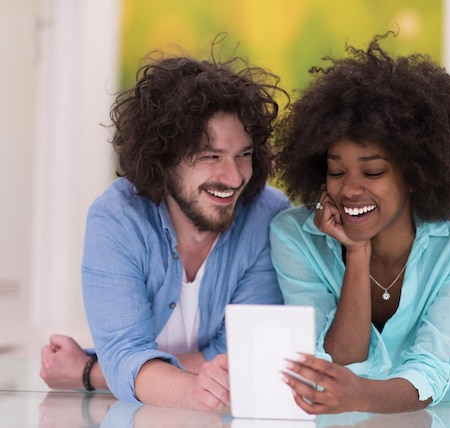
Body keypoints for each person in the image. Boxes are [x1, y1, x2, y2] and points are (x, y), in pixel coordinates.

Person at [39, 39, 291, 410]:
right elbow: (128, 352)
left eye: (245, 155)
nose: (234, 176)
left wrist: (92, 370)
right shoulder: (116, 218)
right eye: (211, 156)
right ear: (165, 157)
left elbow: (242, 354)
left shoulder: (268, 215)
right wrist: (188, 388)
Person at [269, 33, 450, 414]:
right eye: (336, 171)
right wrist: (357, 253)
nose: (350, 189)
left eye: (372, 171)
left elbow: (432, 368)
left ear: (414, 174)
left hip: (445, 412)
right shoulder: (294, 235)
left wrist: (360, 395)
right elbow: (338, 363)